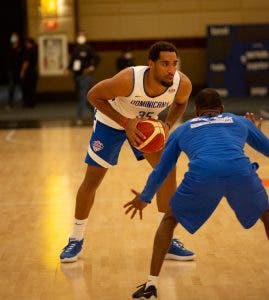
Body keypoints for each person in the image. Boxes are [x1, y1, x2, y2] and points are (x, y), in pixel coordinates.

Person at [124, 88, 269, 299]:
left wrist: (144, 197)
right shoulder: (239, 121)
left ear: (197, 111)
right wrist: (254, 130)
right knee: (266, 214)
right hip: (239, 172)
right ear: (221, 109)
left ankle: (151, 285)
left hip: (203, 175)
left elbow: (162, 169)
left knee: (169, 220)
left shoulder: (184, 129)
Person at [60, 41, 195, 263]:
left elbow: (181, 103)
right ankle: (76, 239)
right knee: (92, 179)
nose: (171, 69)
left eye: (174, 64)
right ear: (150, 64)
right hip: (111, 123)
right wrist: (125, 122)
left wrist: (168, 124)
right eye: (164, 64)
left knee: (168, 170)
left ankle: (168, 240)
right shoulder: (128, 80)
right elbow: (93, 95)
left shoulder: (181, 83)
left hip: (146, 126)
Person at [67, 31, 100, 125]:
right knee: (88, 98)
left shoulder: (88, 48)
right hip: (77, 76)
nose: (80, 37)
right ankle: (97, 116)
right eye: (79, 36)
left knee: (83, 97)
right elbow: (72, 61)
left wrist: (91, 67)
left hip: (85, 77)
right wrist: (68, 69)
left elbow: (97, 58)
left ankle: (79, 117)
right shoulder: (75, 49)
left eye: (82, 36)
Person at [20, 37, 38, 108]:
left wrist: (22, 71)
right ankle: (32, 103)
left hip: (29, 72)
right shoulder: (35, 51)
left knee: (27, 88)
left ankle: (28, 103)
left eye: (27, 43)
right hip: (34, 72)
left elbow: (26, 63)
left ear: (29, 43)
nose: (26, 44)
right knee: (32, 88)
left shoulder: (29, 51)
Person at [6, 32, 23, 109]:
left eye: (15, 37)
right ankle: (10, 103)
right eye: (13, 37)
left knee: (23, 86)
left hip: (20, 70)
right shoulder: (9, 49)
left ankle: (24, 101)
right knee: (11, 87)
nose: (14, 39)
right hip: (12, 70)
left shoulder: (20, 48)